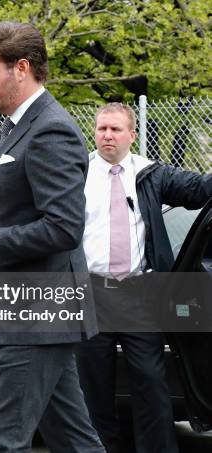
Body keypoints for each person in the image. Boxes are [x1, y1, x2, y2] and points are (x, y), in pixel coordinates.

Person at [0, 21, 105, 452]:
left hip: (37, 315)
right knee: (74, 440)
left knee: (7, 441)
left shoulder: (51, 130)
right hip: (26, 312)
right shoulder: (16, 126)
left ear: (21, 68)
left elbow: (63, 228)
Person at [78, 102, 212, 453]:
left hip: (139, 295)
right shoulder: (77, 173)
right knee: (93, 387)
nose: (107, 135)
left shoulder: (149, 174)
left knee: (152, 385)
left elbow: (198, 190)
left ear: (131, 135)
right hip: (91, 293)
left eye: (116, 129)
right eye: (102, 128)